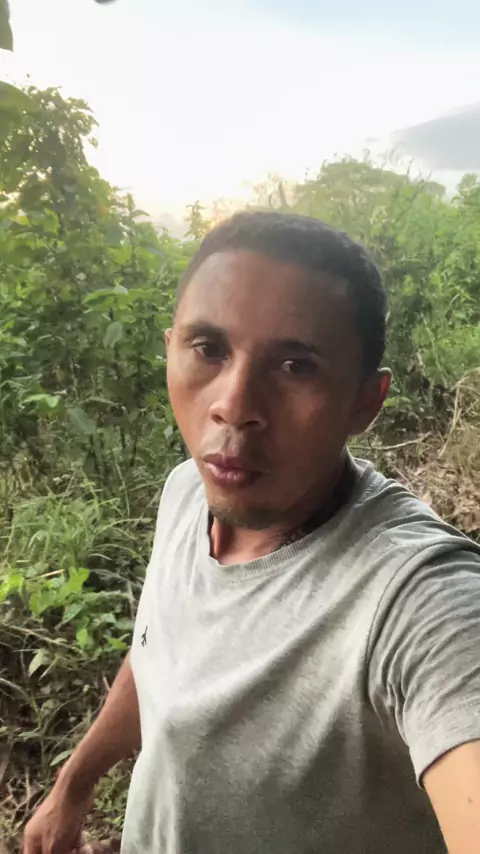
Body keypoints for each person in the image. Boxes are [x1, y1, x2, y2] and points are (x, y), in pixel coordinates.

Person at [24, 211, 480, 854]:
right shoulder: (188, 491)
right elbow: (162, 649)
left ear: (365, 402)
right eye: (208, 349)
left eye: (295, 365)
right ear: (170, 349)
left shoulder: (417, 598)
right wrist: (72, 786)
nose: (233, 406)